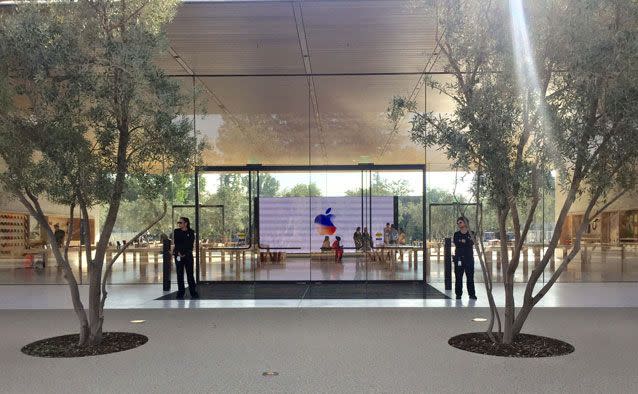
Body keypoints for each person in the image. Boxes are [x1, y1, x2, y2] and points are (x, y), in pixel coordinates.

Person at [173, 217, 199, 299]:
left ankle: (193, 292)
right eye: (179, 223)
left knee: (190, 275)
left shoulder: (191, 232)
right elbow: (177, 243)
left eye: (181, 222)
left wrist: (184, 253)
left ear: (186, 223)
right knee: (179, 275)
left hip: (188, 256)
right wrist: (179, 253)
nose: (179, 224)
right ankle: (181, 293)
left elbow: (190, 244)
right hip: (178, 256)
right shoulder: (176, 231)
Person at [453, 216, 477, 300]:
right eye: (458, 223)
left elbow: (471, 243)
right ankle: (458, 294)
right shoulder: (456, 234)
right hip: (459, 259)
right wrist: (465, 241)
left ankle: (472, 294)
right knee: (458, 277)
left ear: (465, 223)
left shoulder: (472, 233)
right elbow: (457, 243)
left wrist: (464, 241)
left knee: (470, 277)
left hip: (469, 259)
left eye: (460, 222)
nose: (458, 224)